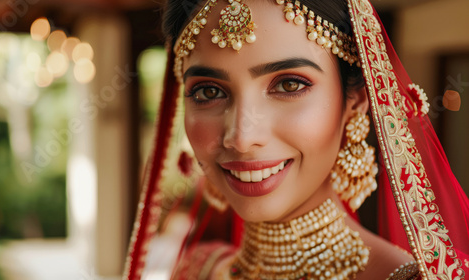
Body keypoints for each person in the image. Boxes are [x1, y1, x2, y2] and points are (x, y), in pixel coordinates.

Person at [123, 0, 469, 279]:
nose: (242, 137)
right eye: (208, 91)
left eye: (289, 85)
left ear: (358, 99)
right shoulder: (197, 269)